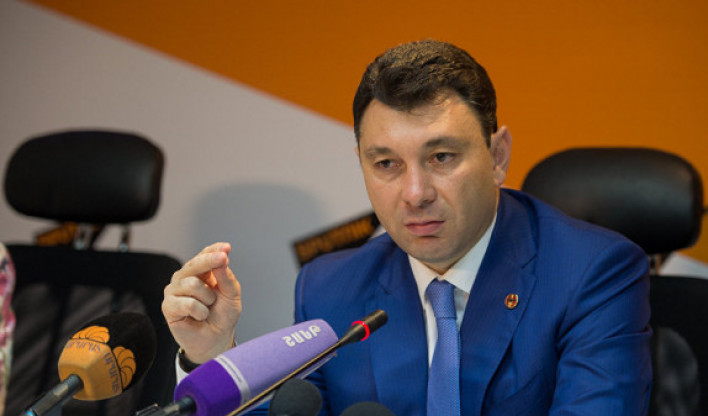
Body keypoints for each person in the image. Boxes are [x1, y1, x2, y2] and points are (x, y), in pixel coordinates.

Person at [162, 39, 652, 415]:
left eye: (442, 157)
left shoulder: (593, 272)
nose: (415, 193)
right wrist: (211, 357)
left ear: (498, 156)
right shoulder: (330, 287)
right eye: (386, 164)